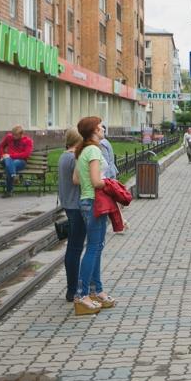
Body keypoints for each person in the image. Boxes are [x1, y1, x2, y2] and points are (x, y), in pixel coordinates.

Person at [71, 116, 115, 316]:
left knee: (96, 247)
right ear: (94, 131)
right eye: (100, 126)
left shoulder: (82, 150)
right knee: (93, 248)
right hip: (95, 201)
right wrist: (112, 185)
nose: (102, 128)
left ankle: (96, 290)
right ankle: (81, 296)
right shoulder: (94, 150)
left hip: (86, 201)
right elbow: (97, 181)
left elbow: (76, 179)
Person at [57, 128, 86, 303]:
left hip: (68, 204)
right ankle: (72, 289)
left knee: (73, 247)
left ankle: (72, 288)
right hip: (77, 205)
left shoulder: (63, 156)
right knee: (75, 248)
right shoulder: (73, 158)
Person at [0, 125, 33, 198]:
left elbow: (26, 155)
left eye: (16, 135)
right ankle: (13, 175)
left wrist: (10, 156)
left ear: (21, 134)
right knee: (8, 161)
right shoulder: (8, 137)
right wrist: (2, 155)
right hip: (7, 160)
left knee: (11, 164)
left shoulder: (28, 141)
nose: (13, 136)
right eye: (13, 134)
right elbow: (1, 146)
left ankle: (9, 191)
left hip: (20, 162)